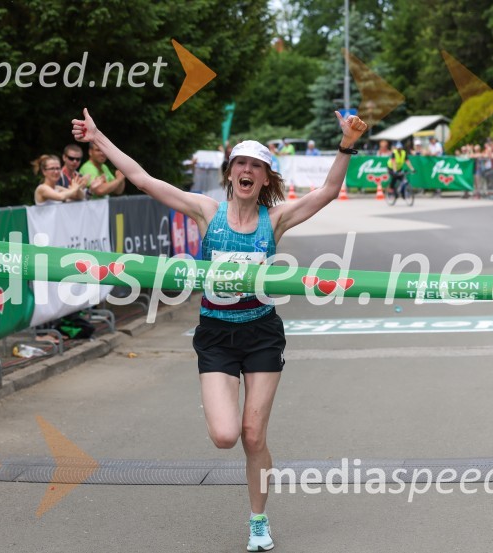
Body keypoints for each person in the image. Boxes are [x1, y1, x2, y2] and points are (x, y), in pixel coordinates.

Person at [72, 107, 367, 552]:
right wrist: (97, 137)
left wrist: (346, 144)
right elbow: (142, 179)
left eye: (256, 166)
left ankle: (258, 520)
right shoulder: (206, 211)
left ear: (265, 178)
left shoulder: (275, 219)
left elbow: (327, 191)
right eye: (240, 164)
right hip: (215, 335)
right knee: (225, 436)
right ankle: (221, 405)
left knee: (254, 435)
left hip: (262, 332)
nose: (247, 171)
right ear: (230, 173)